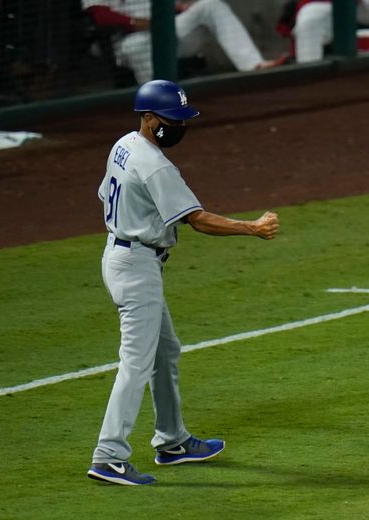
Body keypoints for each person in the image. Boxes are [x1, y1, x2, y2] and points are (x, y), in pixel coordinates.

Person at [87, 79, 280, 486]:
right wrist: (252, 228)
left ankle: (172, 441)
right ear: (149, 118)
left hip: (121, 254)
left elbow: (106, 195)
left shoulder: (123, 144)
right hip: (136, 265)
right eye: (171, 120)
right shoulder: (155, 164)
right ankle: (108, 456)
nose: (177, 127)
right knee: (136, 363)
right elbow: (198, 219)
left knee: (165, 351)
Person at [82, 0, 279, 84]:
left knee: (210, 6)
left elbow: (168, 6)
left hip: (167, 31)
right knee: (140, 45)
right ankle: (161, 105)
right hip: (130, 38)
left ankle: (254, 66)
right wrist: (136, 23)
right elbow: (100, 17)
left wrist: (181, 9)